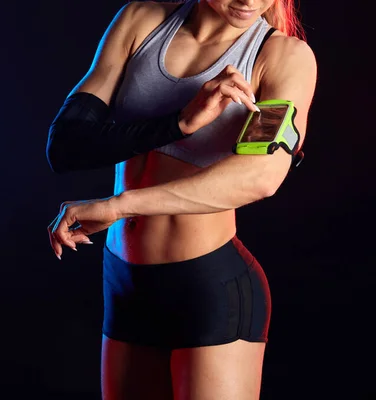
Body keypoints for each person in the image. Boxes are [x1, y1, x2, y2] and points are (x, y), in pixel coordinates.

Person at [45, 0, 317, 399]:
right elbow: (65, 145)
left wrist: (120, 205)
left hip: (209, 289)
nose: (249, 1)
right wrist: (180, 123)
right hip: (125, 282)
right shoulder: (143, 20)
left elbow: (261, 175)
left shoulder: (279, 57)